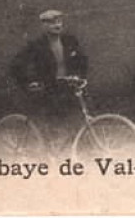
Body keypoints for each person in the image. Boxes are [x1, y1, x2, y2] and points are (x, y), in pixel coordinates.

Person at [8, 9, 89, 142]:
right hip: (48, 89)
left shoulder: (70, 41)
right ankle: (50, 148)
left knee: (78, 118)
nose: (58, 26)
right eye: (52, 23)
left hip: (67, 87)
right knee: (51, 125)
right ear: (44, 26)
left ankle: (70, 145)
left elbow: (82, 60)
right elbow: (16, 65)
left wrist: (80, 76)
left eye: (59, 22)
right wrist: (29, 82)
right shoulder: (36, 46)